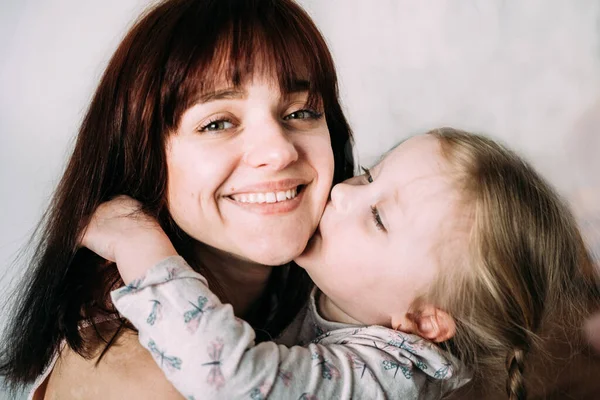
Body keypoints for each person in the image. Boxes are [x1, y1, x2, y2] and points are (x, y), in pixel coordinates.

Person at [0, 0, 354, 399]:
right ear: (143, 157)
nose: (280, 151)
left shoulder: (332, 300)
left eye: (301, 112)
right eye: (217, 123)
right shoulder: (135, 378)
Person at [83, 128, 600, 400]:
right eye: (369, 175)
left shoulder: (384, 378)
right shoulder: (344, 292)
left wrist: (139, 245)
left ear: (422, 321)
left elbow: (229, 379)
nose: (343, 194)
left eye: (377, 217)